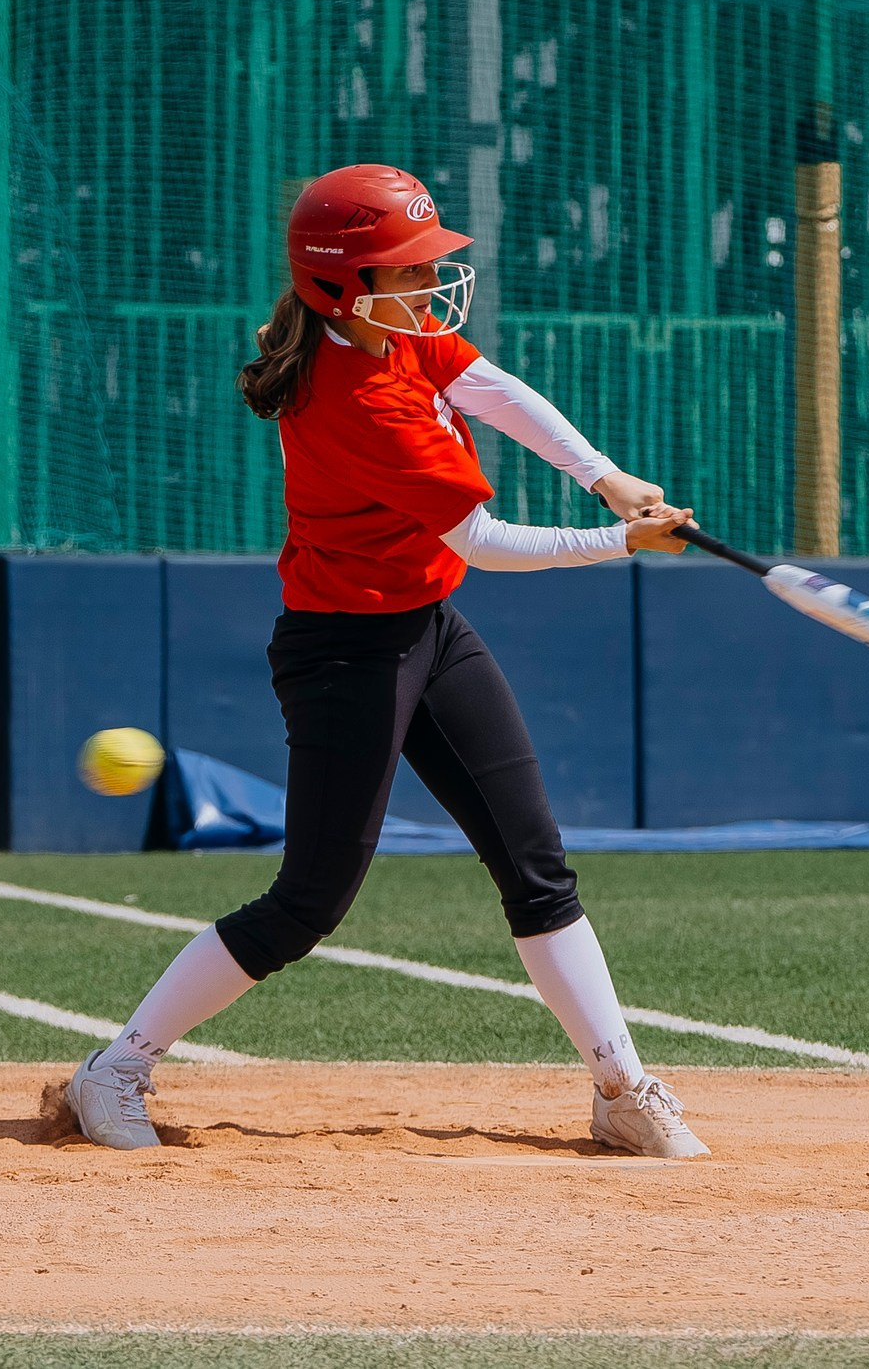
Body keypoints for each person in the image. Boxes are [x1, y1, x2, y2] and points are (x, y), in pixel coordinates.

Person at [62, 162, 709, 1159]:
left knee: (535, 865)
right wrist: (621, 542)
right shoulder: (359, 398)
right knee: (308, 902)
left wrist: (604, 475)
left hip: (429, 630)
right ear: (342, 284)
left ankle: (622, 1088)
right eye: (406, 269)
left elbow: (489, 387)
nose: (429, 283)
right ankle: (115, 1069)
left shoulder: (389, 332)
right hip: (344, 652)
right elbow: (483, 542)